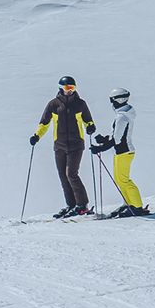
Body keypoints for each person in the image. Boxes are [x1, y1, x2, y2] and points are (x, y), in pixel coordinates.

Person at [30, 76, 96, 218]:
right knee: (63, 176)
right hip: (59, 145)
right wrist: (37, 136)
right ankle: (71, 205)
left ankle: (82, 205)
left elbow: (88, 120)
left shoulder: (80, 104)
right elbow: (44, 123)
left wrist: (91, 127)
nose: (69, 91)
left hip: (76, 144)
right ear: (61, 88)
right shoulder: (53, 105)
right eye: (67, 88)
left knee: (71, 174)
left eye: (72, 88)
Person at [89, 88, 149, 217]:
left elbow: (117, 139)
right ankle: (128, 203)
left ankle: (137, 206)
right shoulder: (123, 115)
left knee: (124, 180)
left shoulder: (122, 117)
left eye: (112, 100)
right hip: (122, 152)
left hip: (124, 152)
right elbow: (117, 137)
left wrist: (100, 148)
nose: (112, 104)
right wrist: (104, 140)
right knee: (119, 179)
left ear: (118, 100)